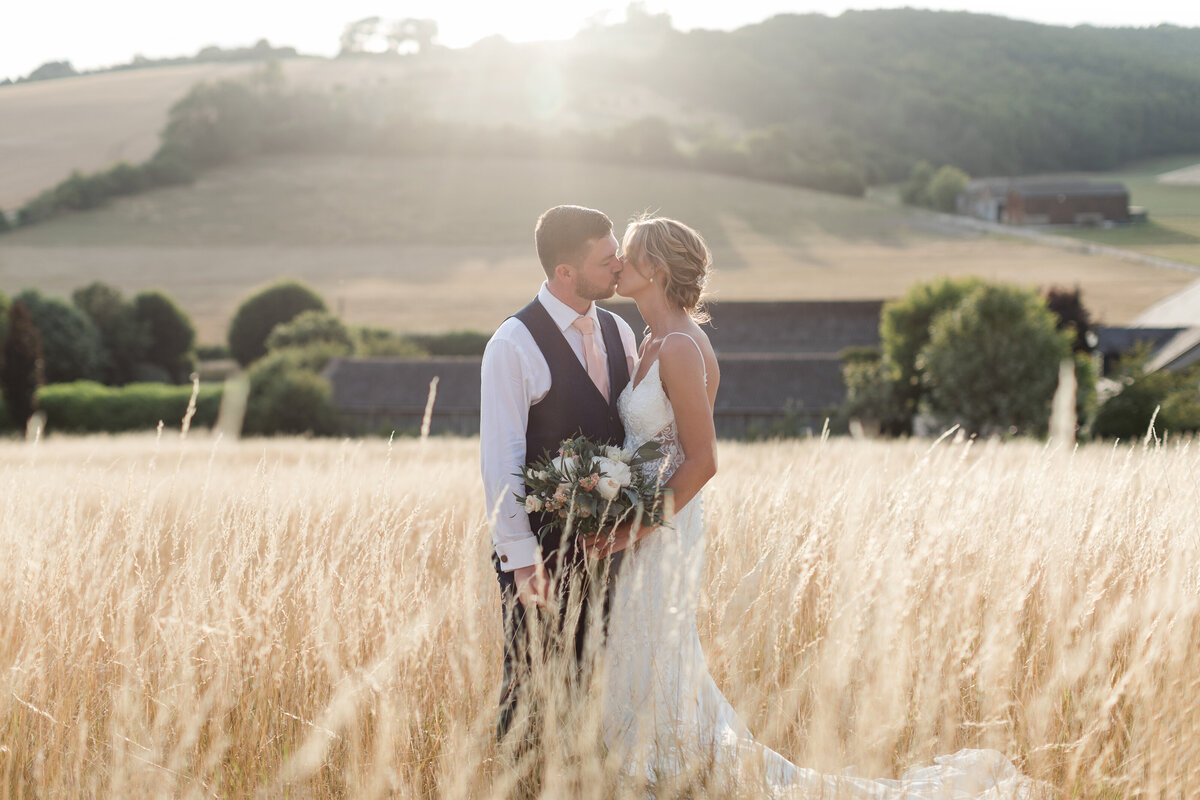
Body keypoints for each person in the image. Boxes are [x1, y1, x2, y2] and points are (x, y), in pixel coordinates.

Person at [584, 215, 1042, 798]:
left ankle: (671, 769)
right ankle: (662, 765)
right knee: (647, 649)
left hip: (663, 528)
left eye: (627, 254)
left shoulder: (679, 347)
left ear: (654, 268)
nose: (618, 263)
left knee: (655, 646)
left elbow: (703, 459)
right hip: (645, 519)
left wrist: (632, 532)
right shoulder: (651, 340)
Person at [479, 205, 639, 753]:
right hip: (541, 553)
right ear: (565, 271)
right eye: (607, 258)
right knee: (530, 690)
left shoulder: (619, 330)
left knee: (596, 687)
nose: (619, 265)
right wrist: (522, 562)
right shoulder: (513, 344)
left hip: (612, 548)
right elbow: (500, 462)